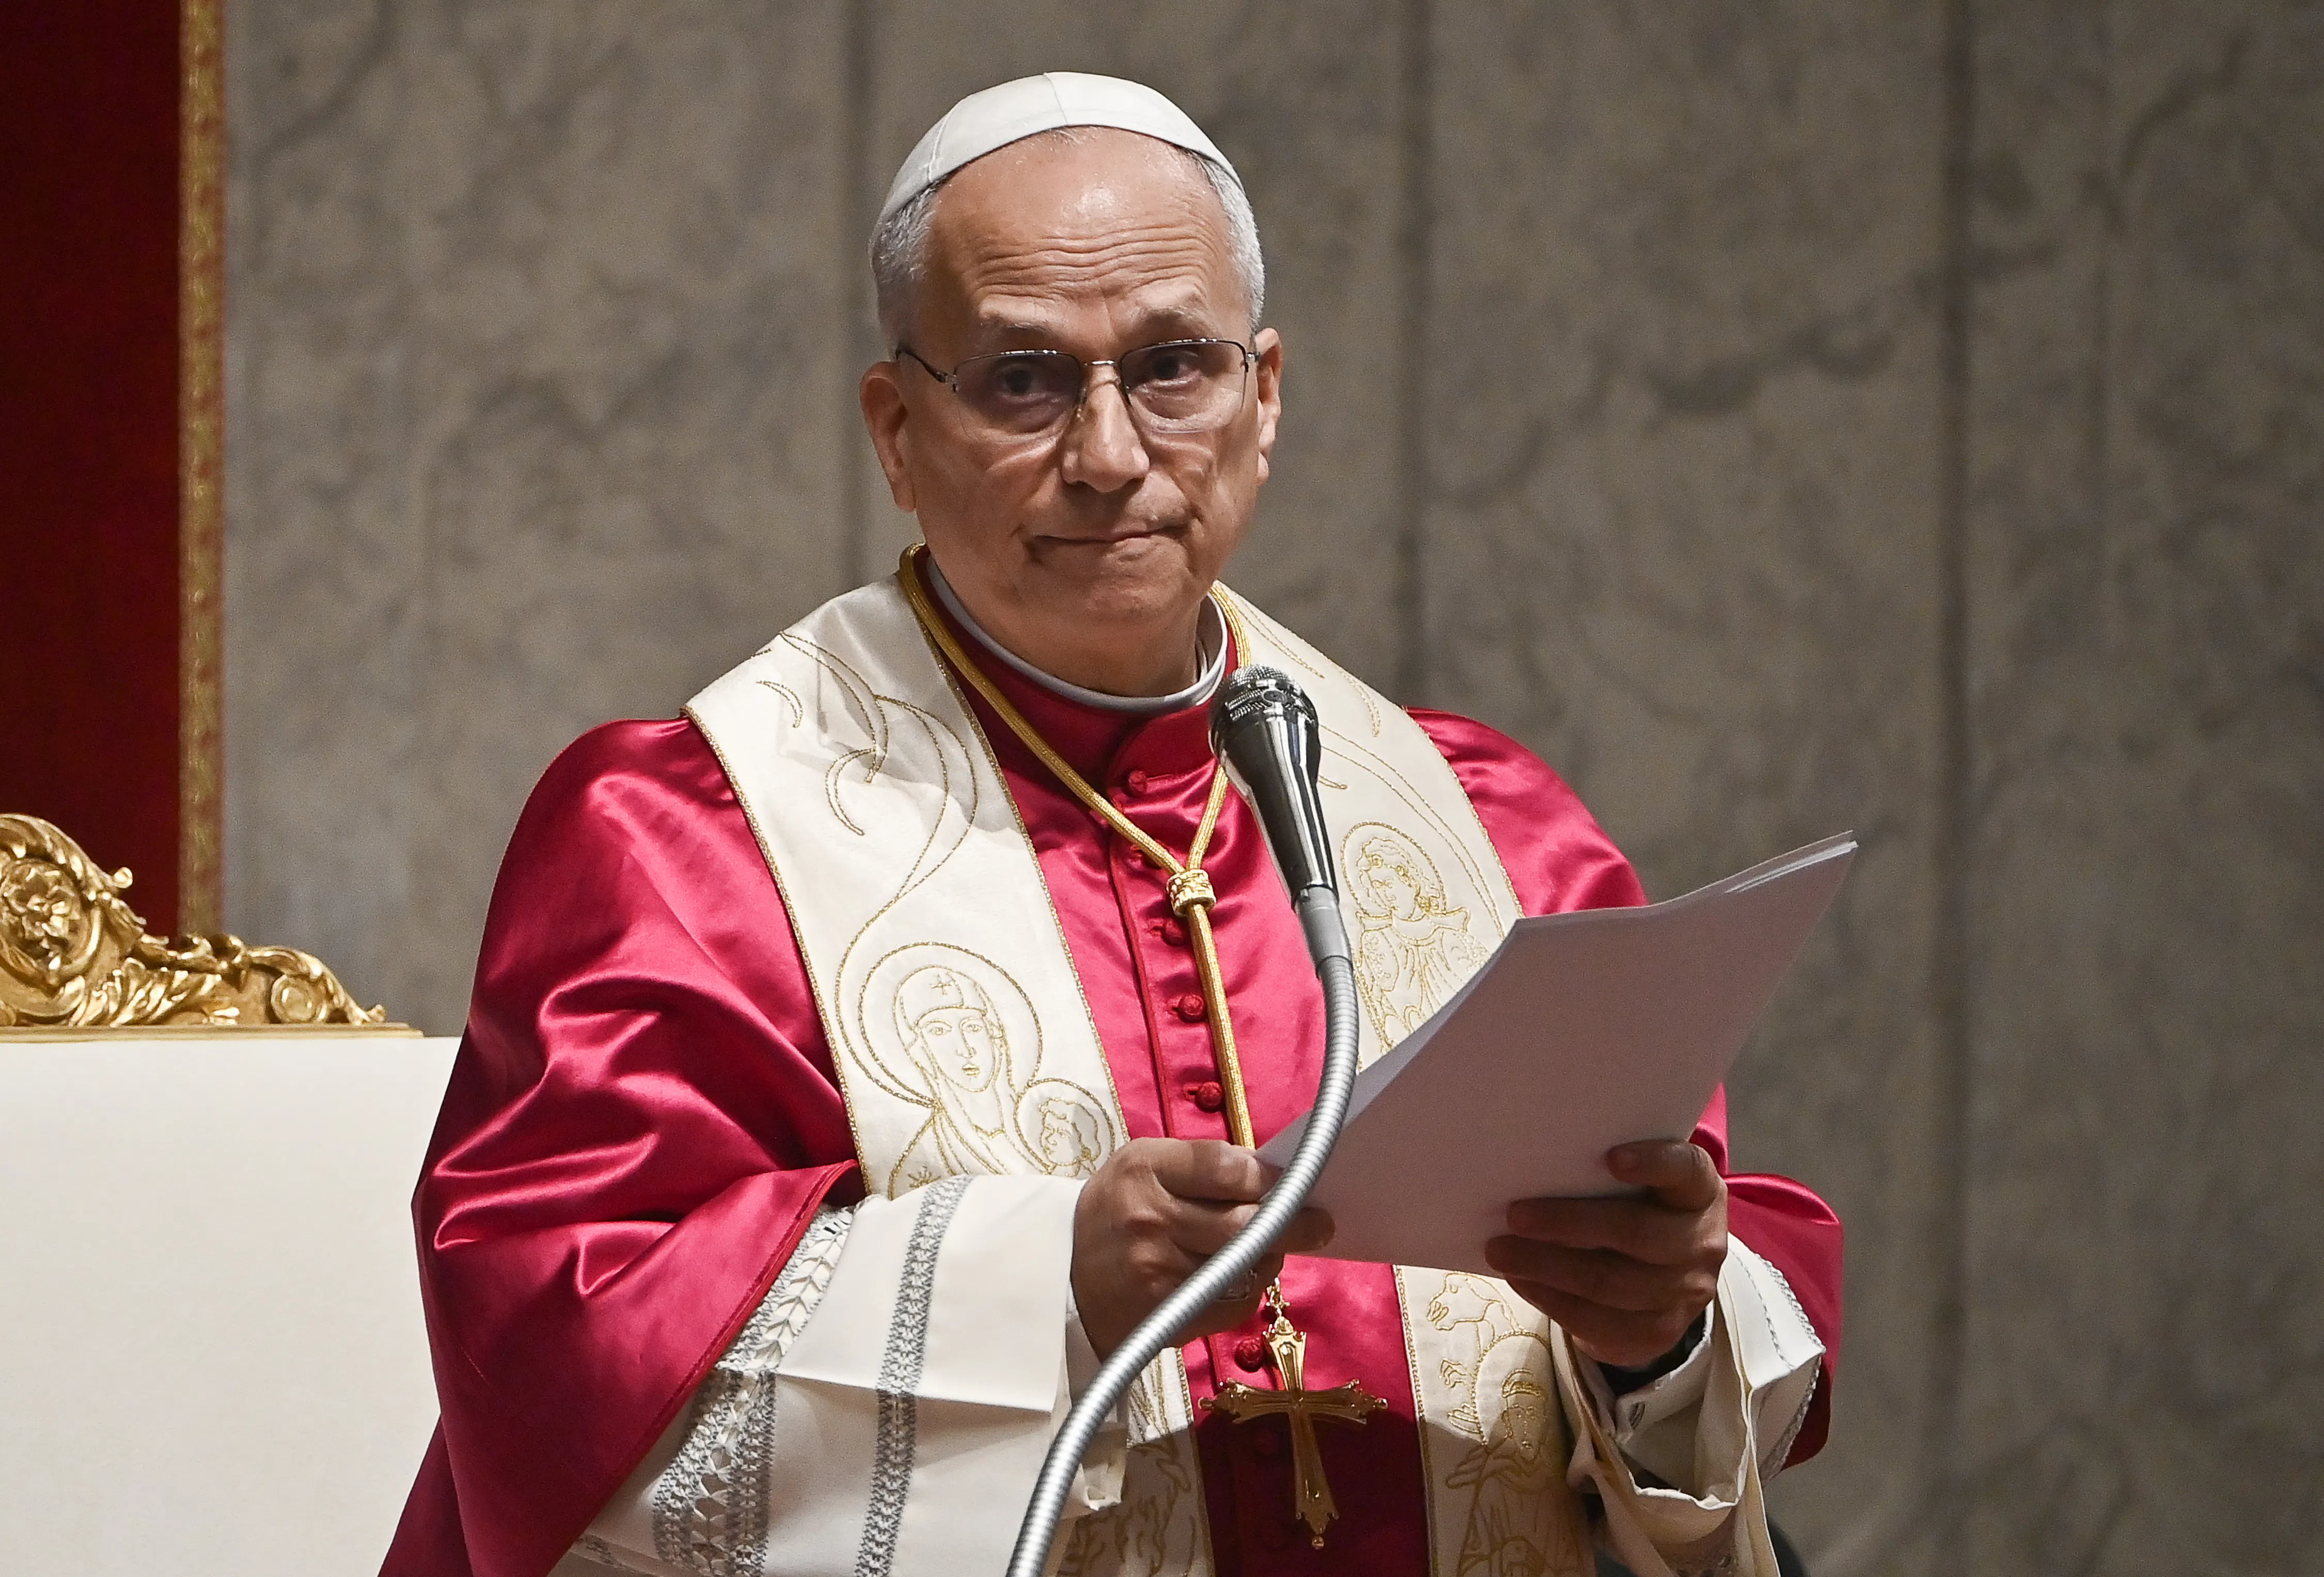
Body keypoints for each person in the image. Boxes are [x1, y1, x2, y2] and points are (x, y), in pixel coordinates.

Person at [382, 73, 1842, 1577]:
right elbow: (549, 1341)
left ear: (1261, 397)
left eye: (1172, 368)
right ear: (896, 426)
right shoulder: (688, 840)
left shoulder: (1491, 827)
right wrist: (1042, 1283)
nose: (1106, 453)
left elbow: (1695, 1300)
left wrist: (1655, 1337)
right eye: (1022, 378)